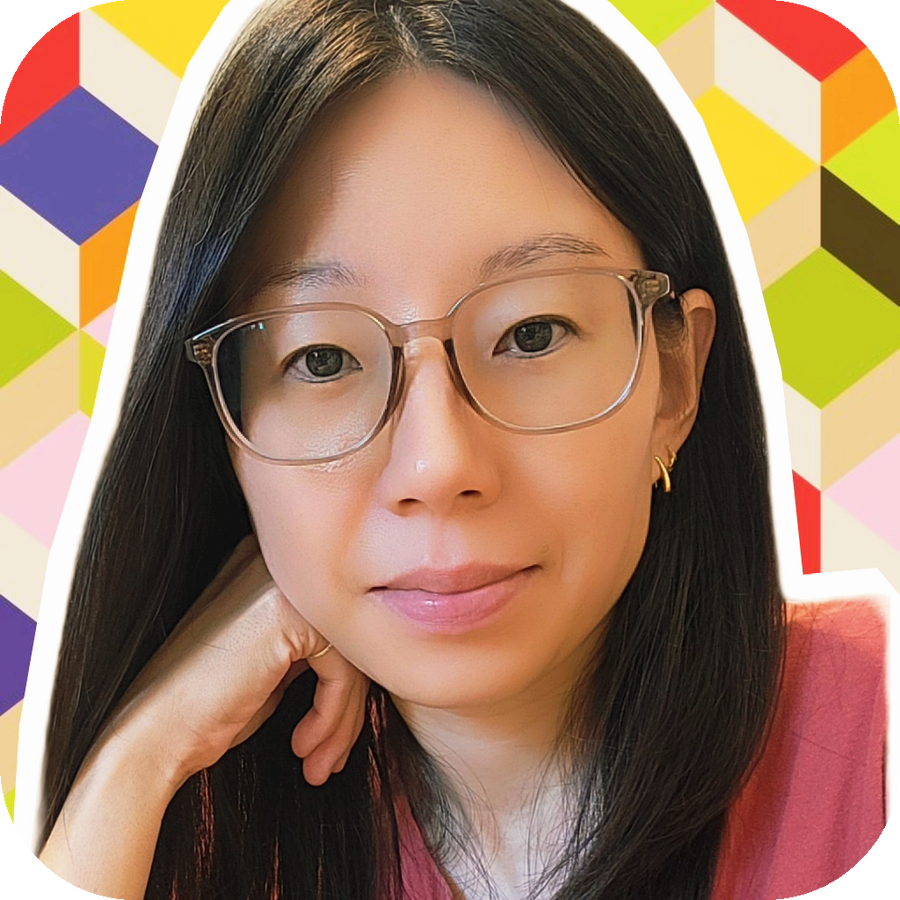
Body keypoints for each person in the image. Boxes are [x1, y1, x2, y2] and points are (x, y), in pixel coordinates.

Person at [17, 1, 887, 898]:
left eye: (533, 334)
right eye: (323, 359)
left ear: (674, 379)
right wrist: (136, 763)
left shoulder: (879, 728)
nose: (438, 467)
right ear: (223, 432)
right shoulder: (208, 841)